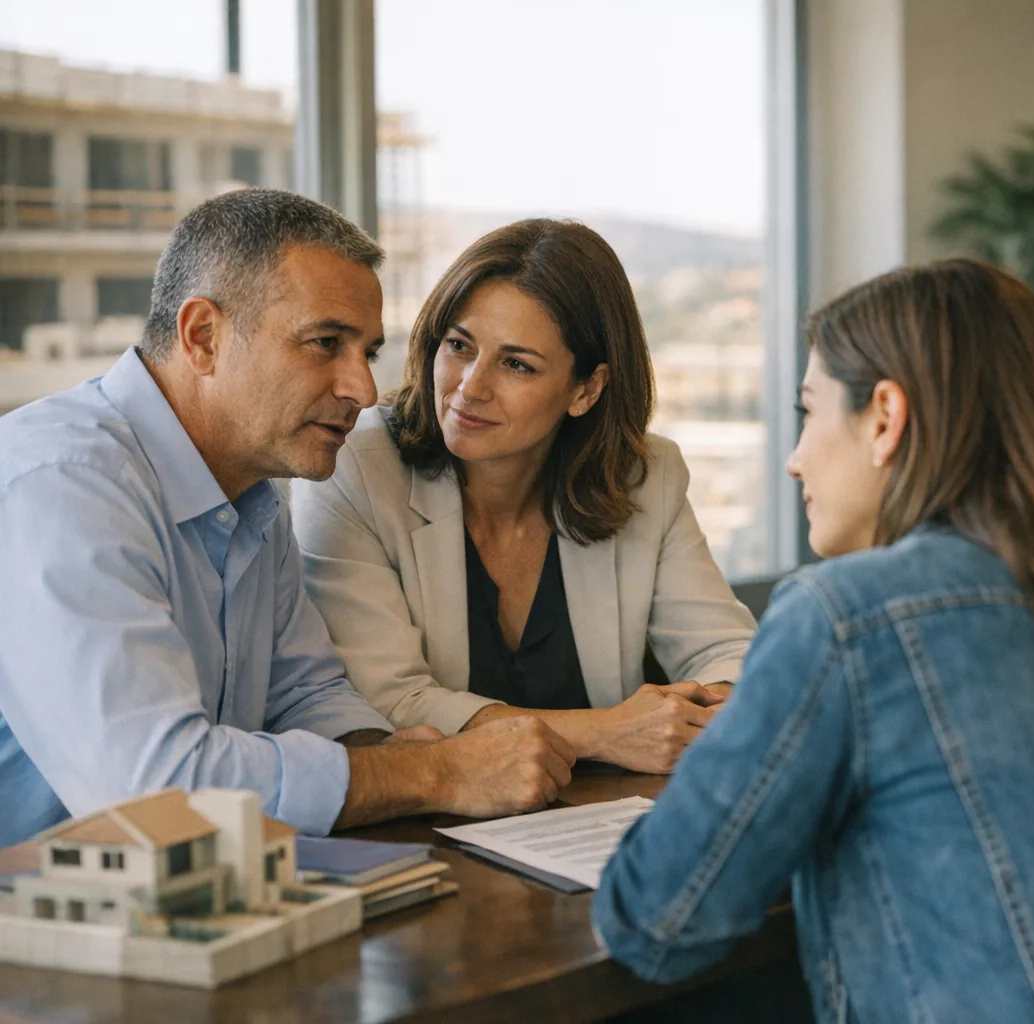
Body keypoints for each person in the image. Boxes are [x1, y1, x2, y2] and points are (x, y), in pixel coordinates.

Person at [591, 259, 1034, 1022]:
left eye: (809, 413)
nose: (794, 458)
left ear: (885, 417)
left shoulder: (847, 615)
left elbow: (655, 922)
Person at [0, 189, 576, 849]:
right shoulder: (63, 484)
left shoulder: (252, 495)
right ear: (203, 337)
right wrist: (430, 771)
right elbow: (154, 790)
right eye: (325, 343)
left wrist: (383, 750)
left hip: (184, 914)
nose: (362, 390)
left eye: (367, 352)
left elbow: (306, 695)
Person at [290, 219, 755, 775]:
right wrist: (608, 733)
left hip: (597, 824)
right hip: (429, 825)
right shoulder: (353, 469)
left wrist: (714, 702)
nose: (469, 388)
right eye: (459, 346)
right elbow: (387, 701)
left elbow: (727, 654)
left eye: (516, 364)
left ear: (587, 389)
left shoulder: (645, 477)